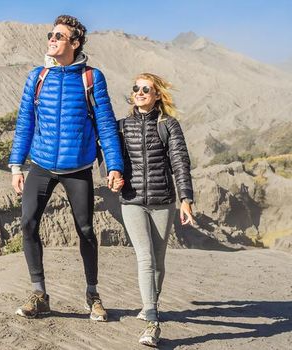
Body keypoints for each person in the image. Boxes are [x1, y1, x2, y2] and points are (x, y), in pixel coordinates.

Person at [8, 14, 125, 322]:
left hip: (78, 167)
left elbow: (106, 125)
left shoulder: (91, 78)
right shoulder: (37, 77)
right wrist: (16, 165)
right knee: (28, 223)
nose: (52, 39)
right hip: (42, 165)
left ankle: (92, 295)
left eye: (58, 36)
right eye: (51, 34)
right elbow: (25, 124)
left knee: (86, 230)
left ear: (74, 43)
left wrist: (114, 166)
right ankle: (39, 294)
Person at [116, 72, 195, 347]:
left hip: (163, 202)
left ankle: (150, 303)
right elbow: (112, 158)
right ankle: (153, 321)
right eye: (136, 88)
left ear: (157, 95)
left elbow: (180, 163)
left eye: (145, 89)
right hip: (132, 201)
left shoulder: (168, 125)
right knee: (146, 258)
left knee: (159, 262)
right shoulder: (122, 126)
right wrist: (111, 174)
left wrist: (186, 198)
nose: (139, 92)